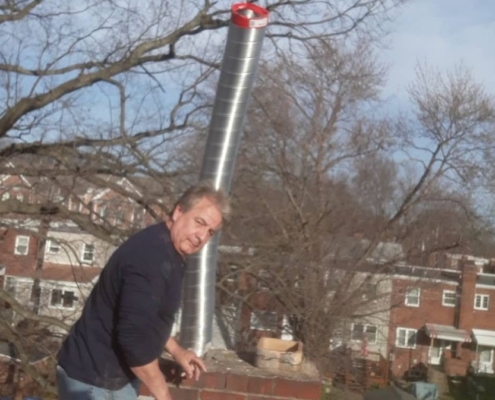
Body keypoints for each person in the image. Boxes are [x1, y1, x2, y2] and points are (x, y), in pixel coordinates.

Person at [56, 181, 229, 400]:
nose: (201, 236)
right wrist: (163, 394)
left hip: (111, 378)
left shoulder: (170, 252)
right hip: (93, 381)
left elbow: (150, 318)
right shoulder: (151, 258)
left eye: (210, 232)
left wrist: (177, 351)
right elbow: (134, 339)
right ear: (179, 211)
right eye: (199, 222)